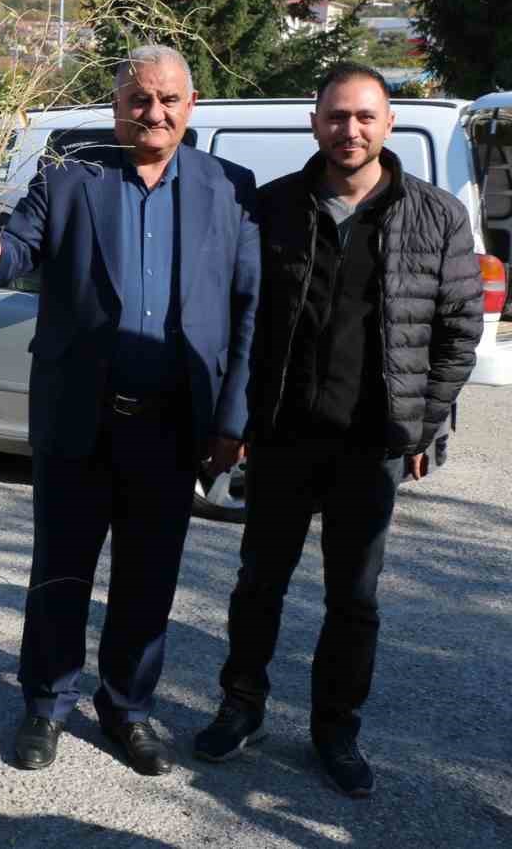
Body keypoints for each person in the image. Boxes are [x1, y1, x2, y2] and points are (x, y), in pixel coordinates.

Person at [194, 62, 481, 796]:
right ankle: (241, 706)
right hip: (285, 438)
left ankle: (335, 730)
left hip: (370, 443)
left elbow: (457, 332)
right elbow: (242, 322)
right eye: (335, 116)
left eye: (363, 117)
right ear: (314, 122)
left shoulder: (437, 215)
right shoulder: (275, 208)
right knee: (259, 583)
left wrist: (419, 424)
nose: (348, 130)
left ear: (388, 124)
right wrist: (238, 420)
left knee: (354, 600)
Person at [0, 45, 260, 775]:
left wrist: (234, 417)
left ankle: (128, 706)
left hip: (171, 426)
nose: (153, 113)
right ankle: (45, 702)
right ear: (116, 107)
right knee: (60, 569)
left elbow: (248, 306)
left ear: (190, 106)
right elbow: (18, 249)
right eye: (139, 99)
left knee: (148, 577)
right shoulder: (69, 178)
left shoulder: (229, 187)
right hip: (79, 413)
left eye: (168, 100)